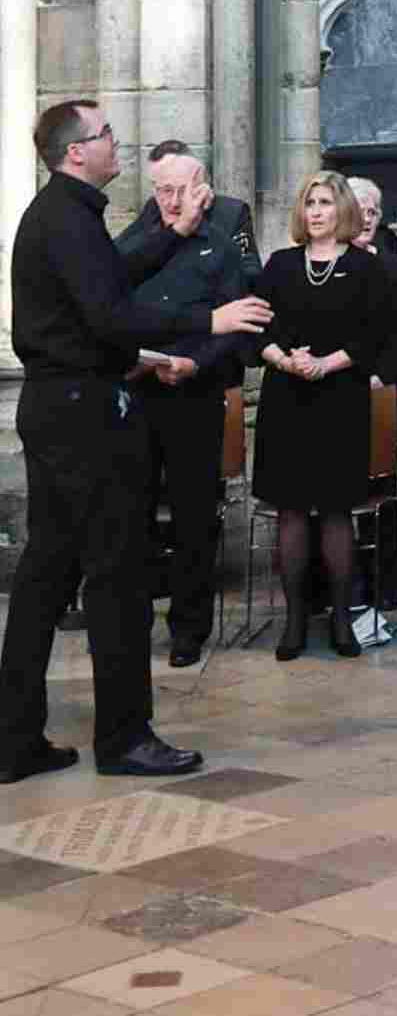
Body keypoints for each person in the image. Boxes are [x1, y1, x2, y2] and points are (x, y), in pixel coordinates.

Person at [0, 99, 272, 784]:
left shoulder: (66, 214)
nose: (116, 142)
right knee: (116, 574)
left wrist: (173, 234)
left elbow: (107, 284)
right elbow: (112, 314)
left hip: (61, 406)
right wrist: (208, 315)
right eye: (106, 134)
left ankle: (14, 739)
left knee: (45, 576)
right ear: (76, 153)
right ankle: (123, 739)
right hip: (83, 416)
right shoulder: (65, 219)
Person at [114, 148, 254, 669]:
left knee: (196, 518)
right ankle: (132, 621)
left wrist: (194, 364)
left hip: (195, 398)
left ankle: (189, 628)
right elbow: (112, 309)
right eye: (161, 191)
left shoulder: (219, 247)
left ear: (203, 189)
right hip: (139, 396)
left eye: (179, 191)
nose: (170, 202)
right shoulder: (132, 242)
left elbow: (236, 325)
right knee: (132, 514)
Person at [251, 170, 393, 662]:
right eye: (310, 202)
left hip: (339, 400)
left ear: (343, 211)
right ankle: (293, 622)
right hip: (287, 400)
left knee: (335, 512)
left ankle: (341, 619)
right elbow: (255, 331)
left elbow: (376, 336)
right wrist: (284, 359)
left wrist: (326, 363)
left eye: (326, 202)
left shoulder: (365, 267)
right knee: (291, 511)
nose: (316, 211)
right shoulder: (280, 265)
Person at [348, 176, 397, 610]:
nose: (365, 219)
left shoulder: (393, 266)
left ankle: (385, 585)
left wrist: (382, 375)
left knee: (381, 491)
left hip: (381, 390)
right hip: (335, 392)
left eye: (373, 211)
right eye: (357, 209)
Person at [132, 139, 263, 286]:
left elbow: (250, 278)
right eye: (166, 190)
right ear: (154, 190)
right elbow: (119, 262)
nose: (174, 202)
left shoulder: (231, 213)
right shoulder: (153, 209)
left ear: (203, 189)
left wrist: (202, 224)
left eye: (184, 191)